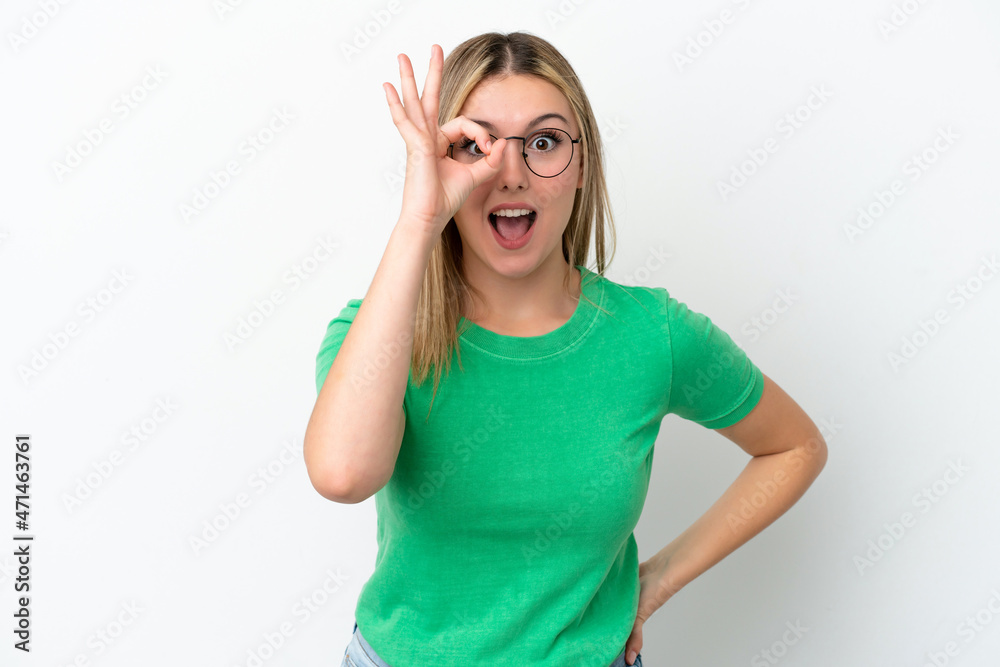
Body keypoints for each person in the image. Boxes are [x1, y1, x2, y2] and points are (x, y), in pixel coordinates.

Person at [304, 31, 827, 667]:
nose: (512, 174)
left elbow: (794, 447)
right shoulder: (378, 331)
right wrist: (420, 218)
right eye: (477, 145)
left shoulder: (651, 335)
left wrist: (654, 582)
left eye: (544, 142)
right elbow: (343, 476)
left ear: (581, 166)